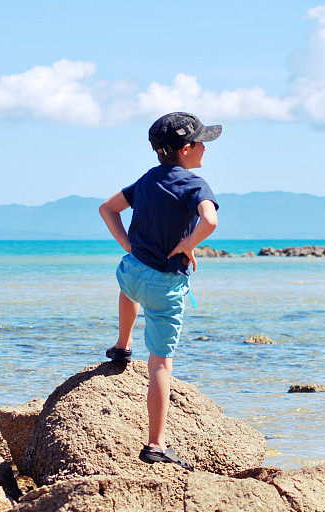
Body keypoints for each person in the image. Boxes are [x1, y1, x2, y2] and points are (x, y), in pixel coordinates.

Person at [99, 112, 221, 469]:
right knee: (160, 364)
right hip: (164, 283)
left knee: (128, 292)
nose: (204, 150)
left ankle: (122, 347)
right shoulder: (194, 184)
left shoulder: (148, 179)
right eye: (201, 143)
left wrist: (127, 244)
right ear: (186, 149)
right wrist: (187, 244)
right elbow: (210, 220)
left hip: (132, 271)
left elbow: (108, 208)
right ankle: (155, 444)